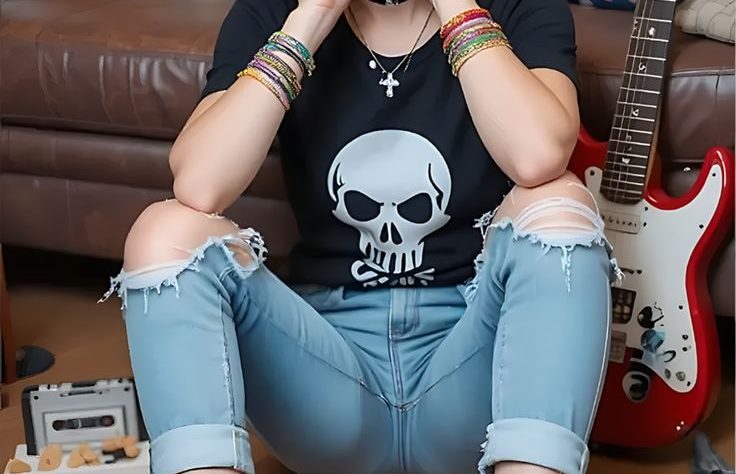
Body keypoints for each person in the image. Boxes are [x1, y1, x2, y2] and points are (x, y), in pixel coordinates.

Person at [102, 0, 622, 472]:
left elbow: (538, 156)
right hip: (326, 386)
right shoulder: (272, 10)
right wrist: (310, 20)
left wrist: (456, 7)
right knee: (164, 232)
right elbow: (200, 183)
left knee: (562, 205)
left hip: (474, 374)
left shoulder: (523, 6)